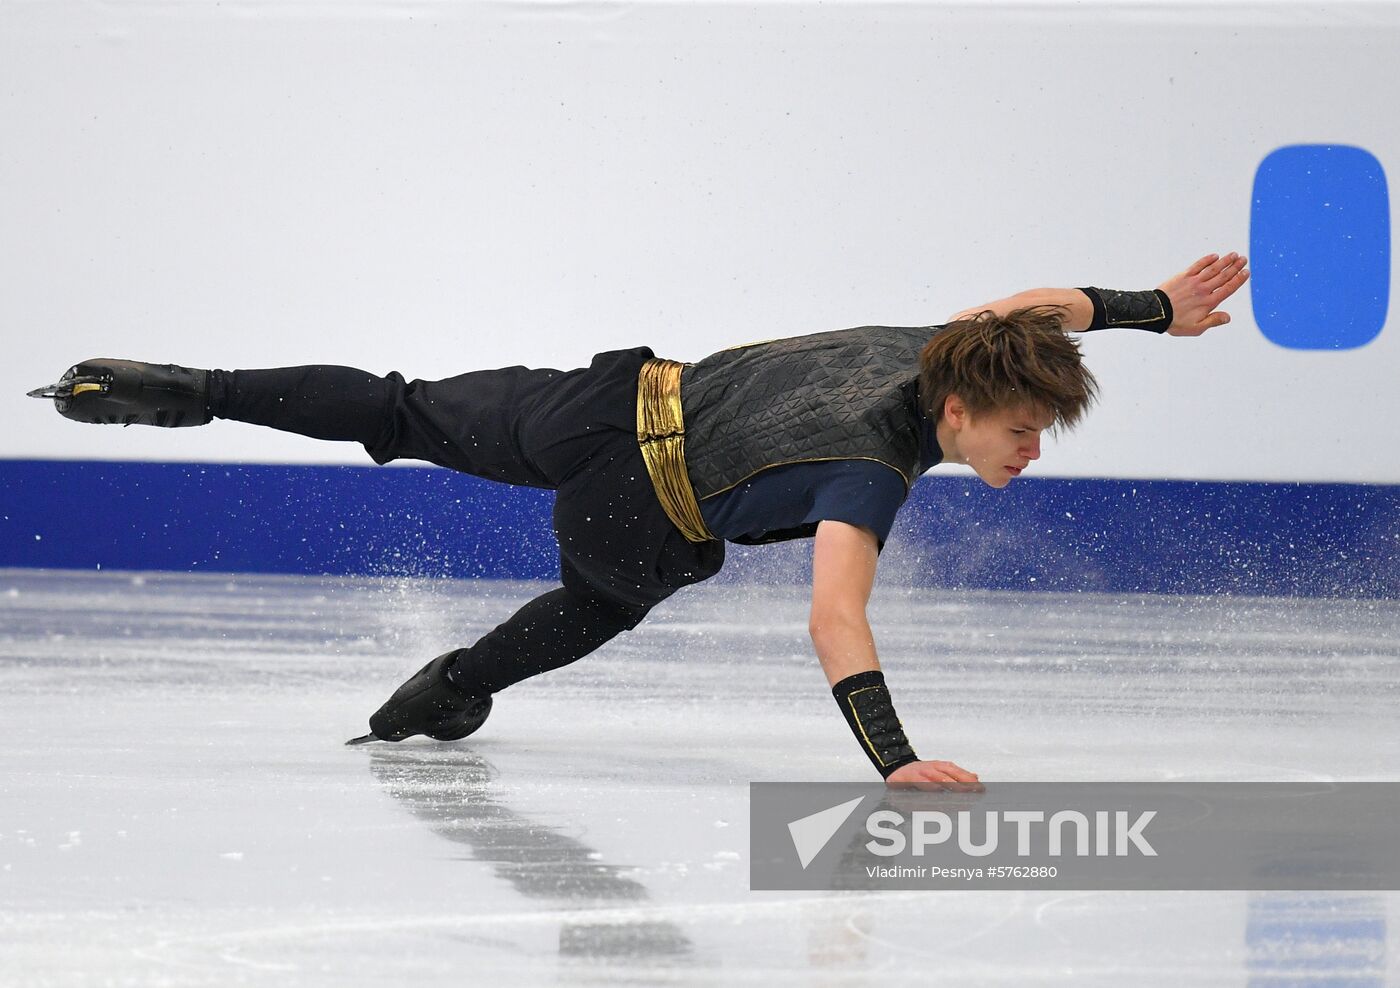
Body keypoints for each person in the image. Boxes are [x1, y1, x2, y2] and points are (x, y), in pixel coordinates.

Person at [30, 251, 1250, 788]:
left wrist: (1151, 310)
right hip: (642, 510)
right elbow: (834, 617)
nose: (1031, 453)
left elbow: (1036, 306)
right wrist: (893, 756)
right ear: (970, 405)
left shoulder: (934, 345)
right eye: (1022, 433)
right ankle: (450, 686)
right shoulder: (870, 471)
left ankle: (198, 392)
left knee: (399, 411)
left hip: (609, 399)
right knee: (596, 603)